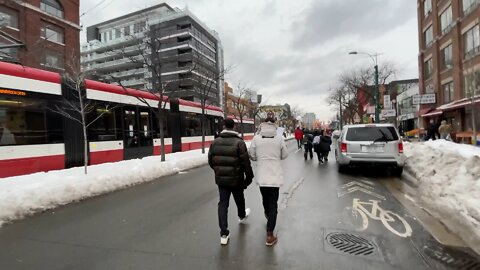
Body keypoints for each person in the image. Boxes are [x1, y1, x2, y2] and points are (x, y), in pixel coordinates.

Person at [208, 118, 254, 245]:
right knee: (239, 198)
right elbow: (246, 163)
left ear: (224, 126)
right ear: (234, 127)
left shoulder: (215, 142)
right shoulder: (239, 143)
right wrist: (248, 178)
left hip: (221, 180)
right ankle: (241, 215)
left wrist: (218, 171)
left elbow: (211, 161)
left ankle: (224, 233)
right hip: (237, 178)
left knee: (223, 204)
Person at [249, 113, 288, 246]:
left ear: (263, 124)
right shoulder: (279, 138)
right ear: (274, 125)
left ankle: (268, 216)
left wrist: (260, 158)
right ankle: (270, 235)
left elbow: (252, 156)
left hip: (262, 175)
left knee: (265, 201)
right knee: (273, 204)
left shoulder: (256, 138)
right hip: (275, 176)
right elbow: (285, 155)